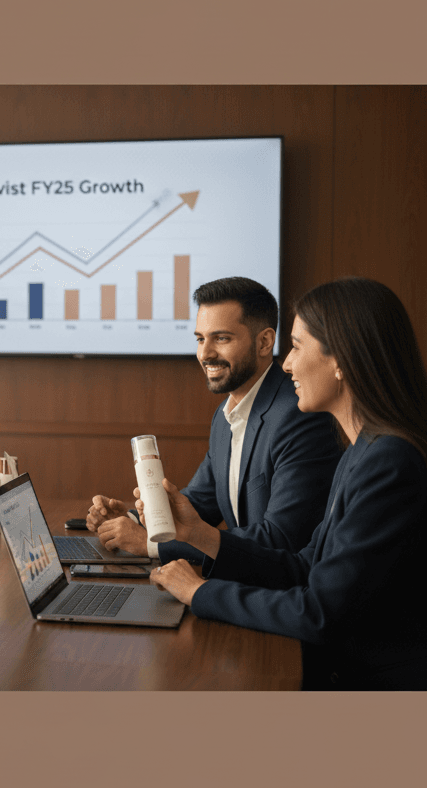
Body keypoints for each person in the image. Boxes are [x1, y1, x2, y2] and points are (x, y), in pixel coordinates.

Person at [151, 277, 427, 690]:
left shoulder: (388, 462)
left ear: (342, 360)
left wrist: (199, 593)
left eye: (297, 346)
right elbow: (303, 567)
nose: (286, 364)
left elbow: (319, 612)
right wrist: (200, 535)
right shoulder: (360, 451)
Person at [89, 277, 341, 565]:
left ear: (264, 342)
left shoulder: (299, 416)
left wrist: (151, 545)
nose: (205, 354)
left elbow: (281, 539)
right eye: (200, 338)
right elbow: (199, 503)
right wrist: (135, 519)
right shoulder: (225, 416)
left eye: (221, 338)